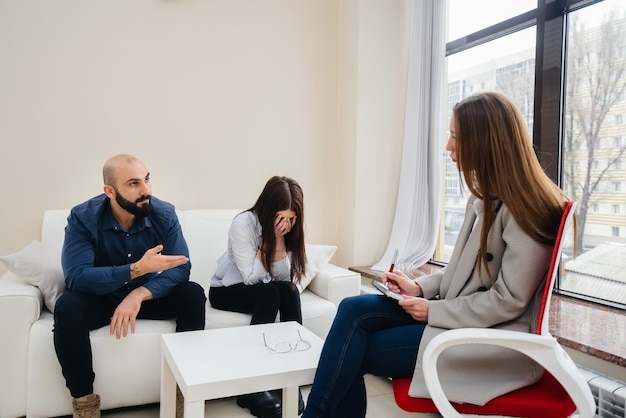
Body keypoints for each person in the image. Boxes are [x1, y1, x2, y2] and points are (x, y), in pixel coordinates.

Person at [302, 91, 567, 418]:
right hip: (464, 318)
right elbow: (464, 271)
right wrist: (420, 289)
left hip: (492, 339)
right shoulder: (486, 199)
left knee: (353, 352)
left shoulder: (527, 209)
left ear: (484, 142)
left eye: (455, 137)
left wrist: (433, 312)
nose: (448, 146)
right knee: (353, 307)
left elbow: (508, 300)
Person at [53, 154, 206, 418]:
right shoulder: (82, 217)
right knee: (67, 306)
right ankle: (85, 405)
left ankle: (182, 397)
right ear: (109, 191)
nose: (145, 190)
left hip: (144, 297)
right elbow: (76, 277)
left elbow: (182, 266)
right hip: (100, 297)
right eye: (133, 183)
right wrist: (135, 270)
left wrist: (139, 293)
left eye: (146, 179)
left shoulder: (164, 213)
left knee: (192, 294)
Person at [209, 175, 308, 418]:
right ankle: (250, 387)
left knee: (289, 292)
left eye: (290, 219)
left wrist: (281, 239)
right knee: (269, 293)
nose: (285, 223)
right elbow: (251, 277)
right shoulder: (243, 224)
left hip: (265, 289)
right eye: (279, 217)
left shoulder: (290, 230)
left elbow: (285, 277)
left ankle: (289, 377)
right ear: (267, 209)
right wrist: (270, 244)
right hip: (226, 290)